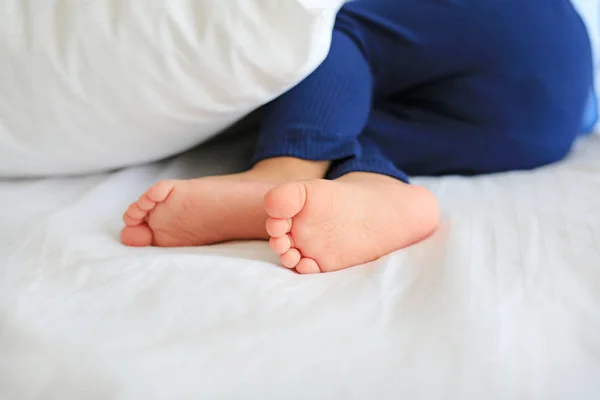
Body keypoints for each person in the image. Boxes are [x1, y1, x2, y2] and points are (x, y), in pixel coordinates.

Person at [120, 0, 593, 274]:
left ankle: (284, 165)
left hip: (522, 23)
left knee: (335, 30)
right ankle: (374, 185)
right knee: (347, 122)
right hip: (546, 129)